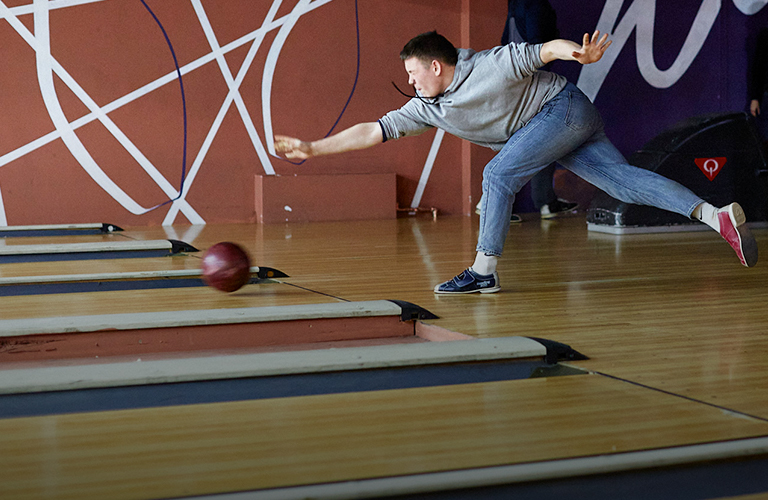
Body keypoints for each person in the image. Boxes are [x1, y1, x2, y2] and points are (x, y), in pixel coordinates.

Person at [275, 30, 759, 294]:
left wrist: (579, 54)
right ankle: (715, 216)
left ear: (436, 66)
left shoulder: (486, 65)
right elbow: (372, 130)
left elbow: (544, 51)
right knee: (623, 184)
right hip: (556, 131)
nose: (410, 80)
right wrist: (314, 148)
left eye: (412, 71)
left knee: (496, 172)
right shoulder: (426, 106)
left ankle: (483, 271)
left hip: (563, 109)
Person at [496, 0, 578, 221]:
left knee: (527, 140)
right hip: (533, 83)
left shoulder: (515, 4)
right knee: (543, 138)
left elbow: (506, 43)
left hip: (515, 81)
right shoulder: (534, 4)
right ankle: (494, 202)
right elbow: (539, 47)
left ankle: (543, 202)